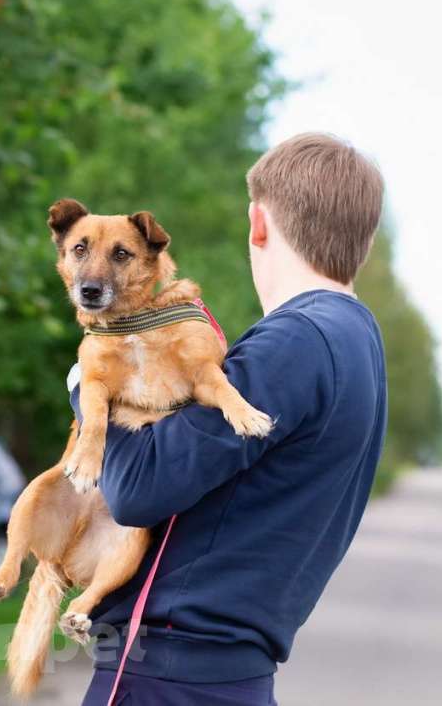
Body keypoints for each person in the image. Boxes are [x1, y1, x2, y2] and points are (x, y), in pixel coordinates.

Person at [70, 133, 388, 706]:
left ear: (257, 223)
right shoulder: (358, 337)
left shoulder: (295, 342)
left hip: (172, 672)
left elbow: (138, 489)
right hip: (227, 672)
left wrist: (85, 383)